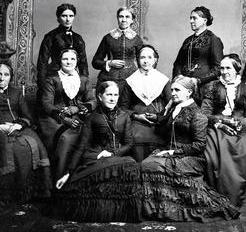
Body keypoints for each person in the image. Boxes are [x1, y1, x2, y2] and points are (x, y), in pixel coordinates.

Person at [140, 75, 239, 222]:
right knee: (145, 164)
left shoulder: (197, 114)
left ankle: (173, 210)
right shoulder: (175, 109)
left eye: (177, 90)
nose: (173, 93)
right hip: (169, 152)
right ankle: (158, 210)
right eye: (172, 89)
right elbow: (162, 126)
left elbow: (199, 146)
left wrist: (174, 152)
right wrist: (166, 110)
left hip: (191, 157)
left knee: (151, 165)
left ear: (189, 92)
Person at [55, 81, 142, 222]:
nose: (113, 98)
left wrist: (113, 153)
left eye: (116, 95)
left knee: (132, 167)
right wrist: (68, 173)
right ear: (100, 97)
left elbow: (129, 143)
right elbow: (81, 147)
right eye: (109, 95)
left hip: (117, 156)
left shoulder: (124, 116)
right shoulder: (92, 118)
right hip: (96, 156)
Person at [201, 54, 246, 212]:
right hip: (217, 127)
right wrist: (220, 120)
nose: (225, 71)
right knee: (215, 148)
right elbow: (203, 114)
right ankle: (220, 198)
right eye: (222, 68)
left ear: (236, 70)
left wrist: (239, 122)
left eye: (228, 68)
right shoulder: (212, 87)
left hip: (242, 131)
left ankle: (242, 200)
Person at [0, 60, 51, 208]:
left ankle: (31, 192)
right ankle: (7, 194)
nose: (2, 78)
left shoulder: (16, 92)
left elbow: (28, 116)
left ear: (10, 77)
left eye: (6, 74)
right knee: (11, 149)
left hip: (17, 126)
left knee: (35, 143)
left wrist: (18, 124)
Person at [38, 49, 96, 179]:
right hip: (55, 118)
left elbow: (93, 101)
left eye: (72, 59)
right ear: (60, 61)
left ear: (77, 61)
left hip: (80, 115)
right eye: (65, 59)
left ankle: (82, 180)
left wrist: (77, 108)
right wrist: (65, 119)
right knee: (65, 139)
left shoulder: (84, 79)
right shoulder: (52, 79)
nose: (69, 62)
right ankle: (60, 179)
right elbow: (46, 104)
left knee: (91, 136)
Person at [119, 45, 171, 161]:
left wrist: (159, 117)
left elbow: (170, 104)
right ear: (138, 60)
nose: (146, 61)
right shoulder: (130, 81)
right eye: (142, 57)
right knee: (135, 138)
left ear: (154, 60)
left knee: (163, 138)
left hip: (159, 121)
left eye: (149, 57)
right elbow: (123, 107)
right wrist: (136, 116)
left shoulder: (163, 80)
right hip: (137, 121)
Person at [172, 6, 224, 103]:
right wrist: (178, 77)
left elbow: (218, 68)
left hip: (204, 88)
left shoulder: (213, 40)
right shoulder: (187, 41)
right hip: (184, 87)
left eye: (194, 18)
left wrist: (198, 80)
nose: (191, 21)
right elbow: (177, 63)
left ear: (204, 20)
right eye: (190, 18)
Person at [37, 3, 89, 99]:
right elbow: (42, 63)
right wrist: (43, 85)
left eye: (71, 16)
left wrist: (84, 82)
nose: (68, 19)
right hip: (55, 77)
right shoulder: (50, 36)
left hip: (73, 78)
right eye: (64, 16)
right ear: (58, 18)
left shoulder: (78, 38)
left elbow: (83, 63)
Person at [92, 6, 143, 95]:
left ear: (132, 20)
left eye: (127, 17)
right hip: (108, 78)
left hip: (130, 79)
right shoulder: (108, 38)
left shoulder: (137, 39)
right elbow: (95, 62)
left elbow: (143, 61)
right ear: (117, 18)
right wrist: (109, 63)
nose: (123, 20)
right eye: (121, 16)